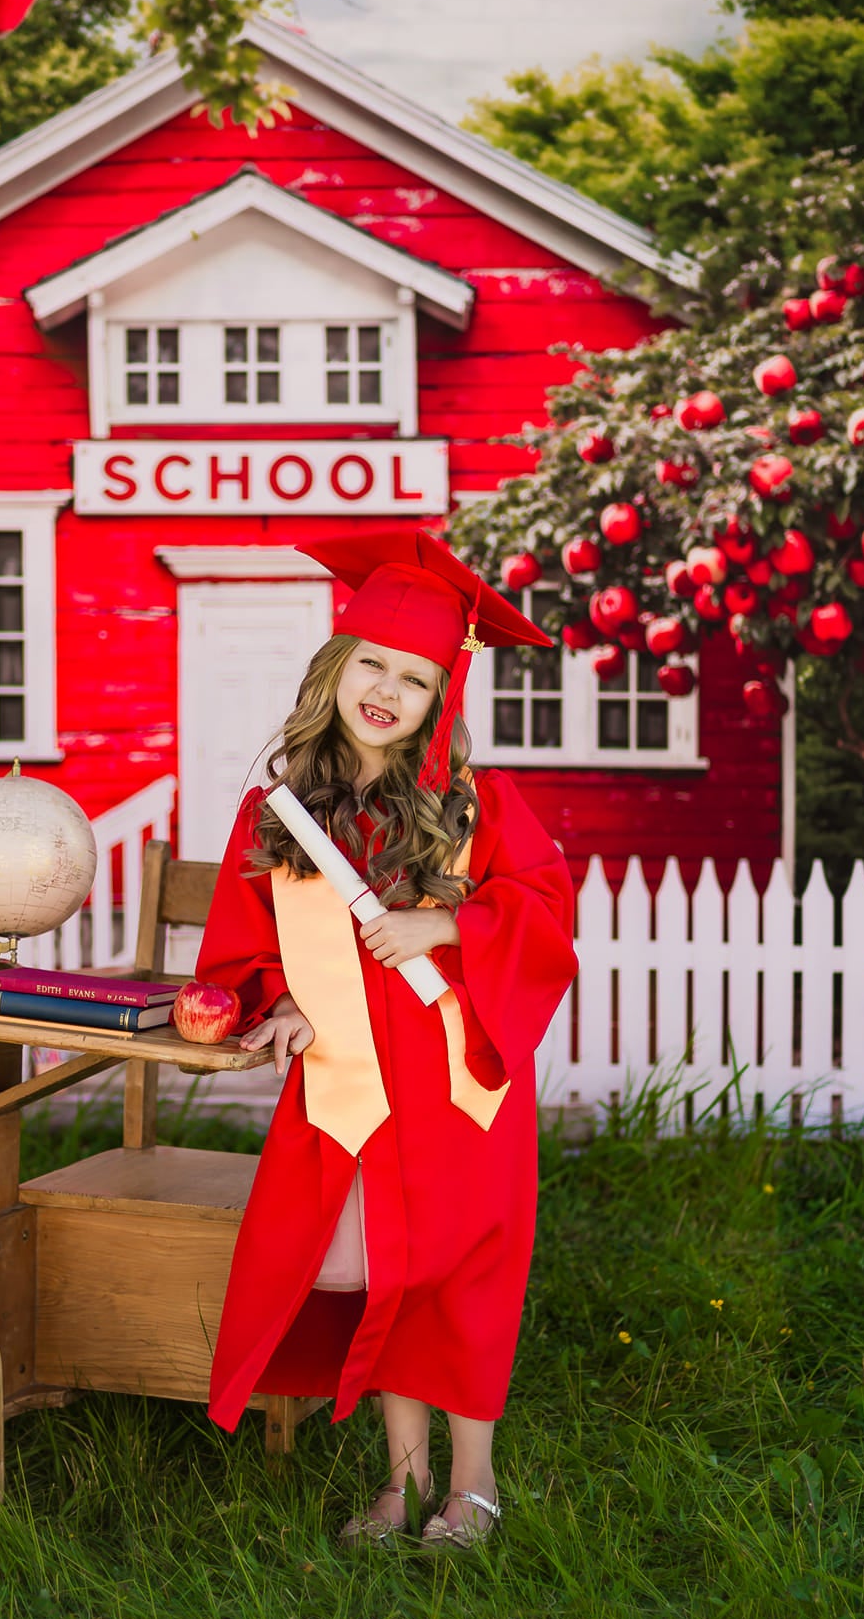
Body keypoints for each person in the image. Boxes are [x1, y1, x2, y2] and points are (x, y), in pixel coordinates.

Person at [195, 531, 577, 1548]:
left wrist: (444, 923)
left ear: (438, 697)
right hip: (352, 1083)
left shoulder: (474, 803)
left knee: (463, 1276)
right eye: (371, 661)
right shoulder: (280, 814)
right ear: (334, 667)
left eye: (414, 678)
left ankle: (475, 1485)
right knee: (385, 1277)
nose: (386, 689)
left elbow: (544, 910)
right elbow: (251, 945)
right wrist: (280, 1001)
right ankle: (404, 1482)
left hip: (456, 1084)